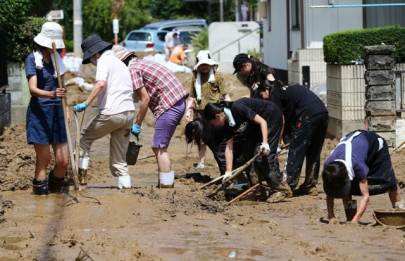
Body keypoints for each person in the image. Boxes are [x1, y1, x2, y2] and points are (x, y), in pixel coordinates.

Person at [233, 53, 328, 196]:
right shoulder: (281, 87)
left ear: (265, 89)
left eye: (261, 96)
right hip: (322, 112)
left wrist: (277, 143)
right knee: (313, 150)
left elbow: (281, 119)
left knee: (296, 150)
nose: (262, 100)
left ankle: (286, 186)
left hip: (307, 114)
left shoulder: (274, 92)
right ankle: (310, 184)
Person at [111, 45, 189, 188]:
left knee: (159, 147)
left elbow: (145, 99)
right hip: (178, 101)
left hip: (169, 105)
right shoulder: (142, 63)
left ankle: (166, 186)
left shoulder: (132, 70)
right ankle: (164, 183)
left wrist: (138, 123)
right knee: (159, 147)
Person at [73, 35, 135, 189]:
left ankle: (81, 179)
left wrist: (86, 103)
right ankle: (126, 189)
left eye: (91, 57)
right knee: (119, 158)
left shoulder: (103, 61)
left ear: (95, 53)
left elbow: (100, 84)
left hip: (113, 112)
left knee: (83, 139)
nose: (92, 62)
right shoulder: (119, 63)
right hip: (128, 113)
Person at [203, 99, 292, 201]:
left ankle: (281, 189)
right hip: (254, 127)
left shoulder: (238, 108)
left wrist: (265, 143)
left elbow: (263, 122)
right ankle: (258, 190)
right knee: (247, 153)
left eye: (213, 123)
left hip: (270, 117)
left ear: (218, 116)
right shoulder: (227, 125)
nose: (214, 126)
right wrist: (228, 172)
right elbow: (229, 148)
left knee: (263, 156)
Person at [25, 22, 70, 195]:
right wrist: (52, 95)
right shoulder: (32, 59)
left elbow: (62, 87)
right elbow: (33, 89)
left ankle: (56, 189)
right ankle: (41, 197)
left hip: (57, 112)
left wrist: (66, 109)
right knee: (44, 159)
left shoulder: (57, 60)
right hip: (40, 113)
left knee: (63, 161)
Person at [322, 130, 401, 224]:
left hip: (376, 148)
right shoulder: (328, 167)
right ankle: (350, 216)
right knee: (347, 188)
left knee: (389, 182)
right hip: (356, 149)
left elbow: (366, 197)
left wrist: (356, 220)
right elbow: (330, 191)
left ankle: (397, 210)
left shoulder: (357, 164)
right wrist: (331, 216)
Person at [185, 51, 230, 169]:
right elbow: (192, 96)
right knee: (201, 138)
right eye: (201, 65)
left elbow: (225, 94)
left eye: (206, 64)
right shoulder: (195, 77)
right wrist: (188, 111)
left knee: (218, 137)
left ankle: (219, 158)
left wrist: (229, 108)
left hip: (214, 112)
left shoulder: (218, 76)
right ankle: (202, 161)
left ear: (210, 64)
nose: (204, 67)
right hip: (199, 111)